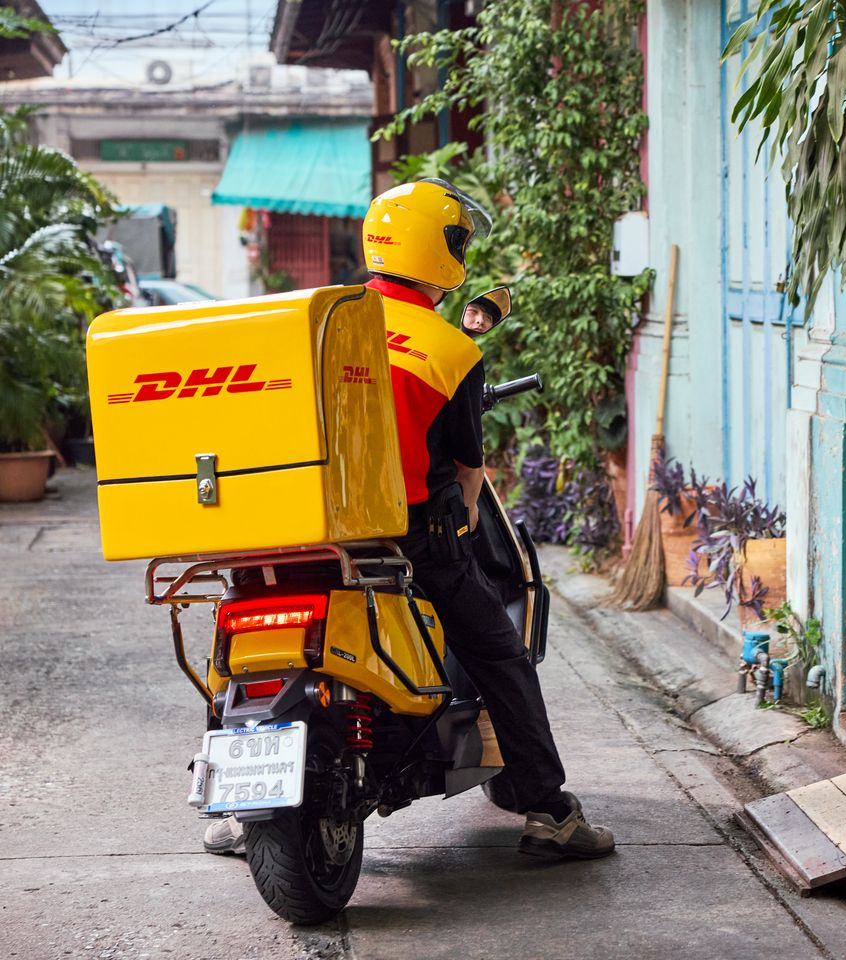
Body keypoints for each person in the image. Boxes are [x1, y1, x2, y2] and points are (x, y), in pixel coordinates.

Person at [205, 179, 613, 860]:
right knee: (499, 654)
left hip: (290, 530)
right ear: (439, 249)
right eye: (457, 240)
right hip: (403, 544)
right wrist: (463, 516)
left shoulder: (318, 320)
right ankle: (548, 813)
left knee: (238, 629)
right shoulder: (450, 350)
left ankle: (229, 806)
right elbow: (463, 473)